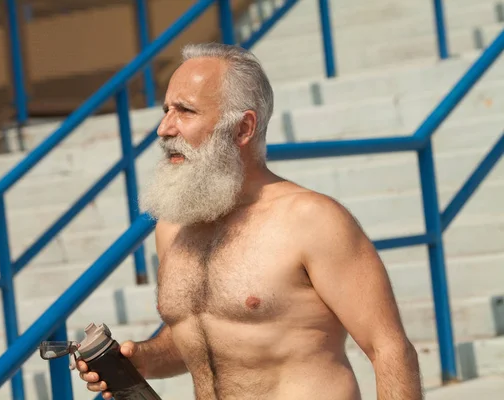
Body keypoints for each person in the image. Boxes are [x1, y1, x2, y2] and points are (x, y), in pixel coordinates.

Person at [78, 42, 423, 400]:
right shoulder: (174, 227)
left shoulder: (313, 220)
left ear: (243, 128)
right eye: (167, 110)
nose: (165, 128)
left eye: (185, 111)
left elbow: (390, 349)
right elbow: (208, 335)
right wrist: (145, 359)